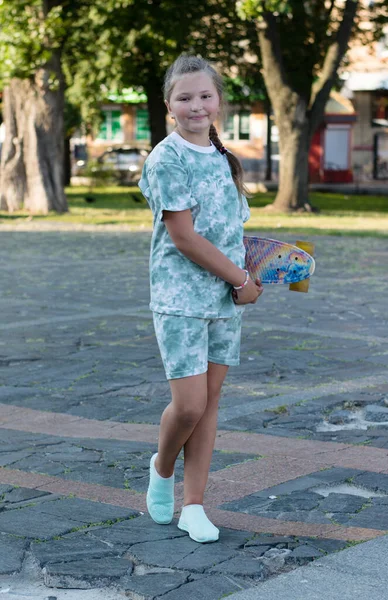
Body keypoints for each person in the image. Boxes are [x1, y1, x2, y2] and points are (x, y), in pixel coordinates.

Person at [138, 54, 263, 544]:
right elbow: (185, 238)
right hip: (180, 298)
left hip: (225, 301)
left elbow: (230, 231)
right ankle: (161, 467)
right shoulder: (166, 158)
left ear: (218, 102)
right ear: (169, 106)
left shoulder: (224, 159)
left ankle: (195, 506)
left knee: (209, 406)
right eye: (184, 98)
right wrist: (238, 278)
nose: (196, 105)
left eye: (204, 96)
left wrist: (254, 272)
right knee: (187, 406)